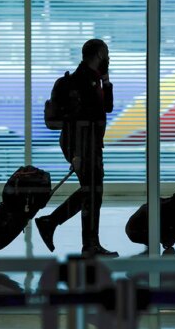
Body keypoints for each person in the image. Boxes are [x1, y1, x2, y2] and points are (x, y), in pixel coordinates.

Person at [35, 39, 118, 257]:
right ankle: (86, 243)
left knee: (91, 192)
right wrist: (77, 155)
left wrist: (106, 81)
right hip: (81, 144)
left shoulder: (93, 80)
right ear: (99, 55)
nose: (108, 58)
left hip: (90, 144)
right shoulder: (80, 82)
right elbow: (77, 123)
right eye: (106, 53)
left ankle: (56, 225)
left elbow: (108, 108)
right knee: (92, 192)